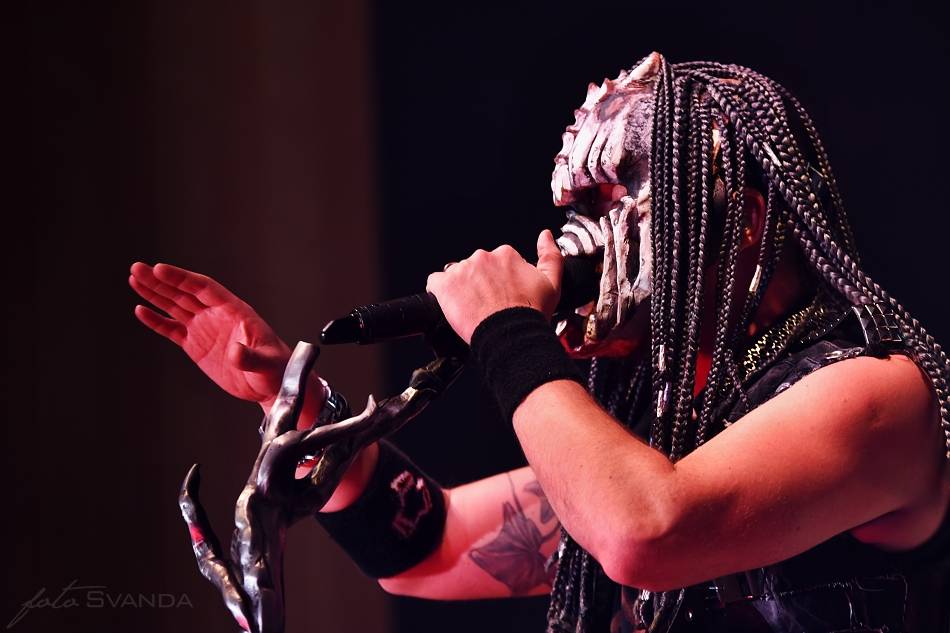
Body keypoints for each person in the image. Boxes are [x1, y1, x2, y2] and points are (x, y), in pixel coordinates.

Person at [130, 53, 950, 632]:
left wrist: (507, 332)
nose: (580, 236)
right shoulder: (672, 446)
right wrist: (299, 396)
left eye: (616, 197)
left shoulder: (878, 397)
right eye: (575, 208)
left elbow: (641, 529)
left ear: (743, 217)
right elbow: (424, 547)